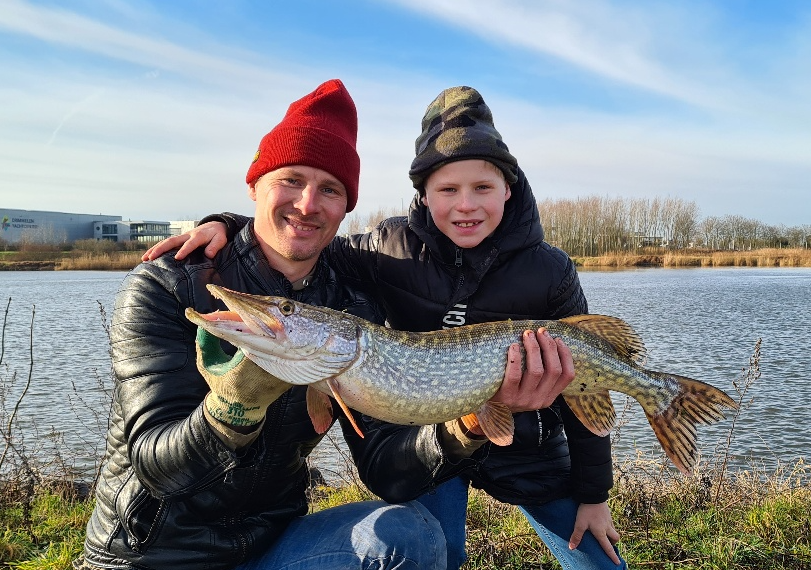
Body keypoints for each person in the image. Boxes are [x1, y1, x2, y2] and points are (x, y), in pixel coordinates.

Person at [76, 79, 566, 570]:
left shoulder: (349, 302)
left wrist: (469, 422)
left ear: (344, 206)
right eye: (290, 180)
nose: (308, 204)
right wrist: (231, 411)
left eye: (329, 189)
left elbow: (387, 472)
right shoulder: (165, 285)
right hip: (148, 556)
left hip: (274, 547)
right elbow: (157, 471)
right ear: (254, 186)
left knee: (411, 536)